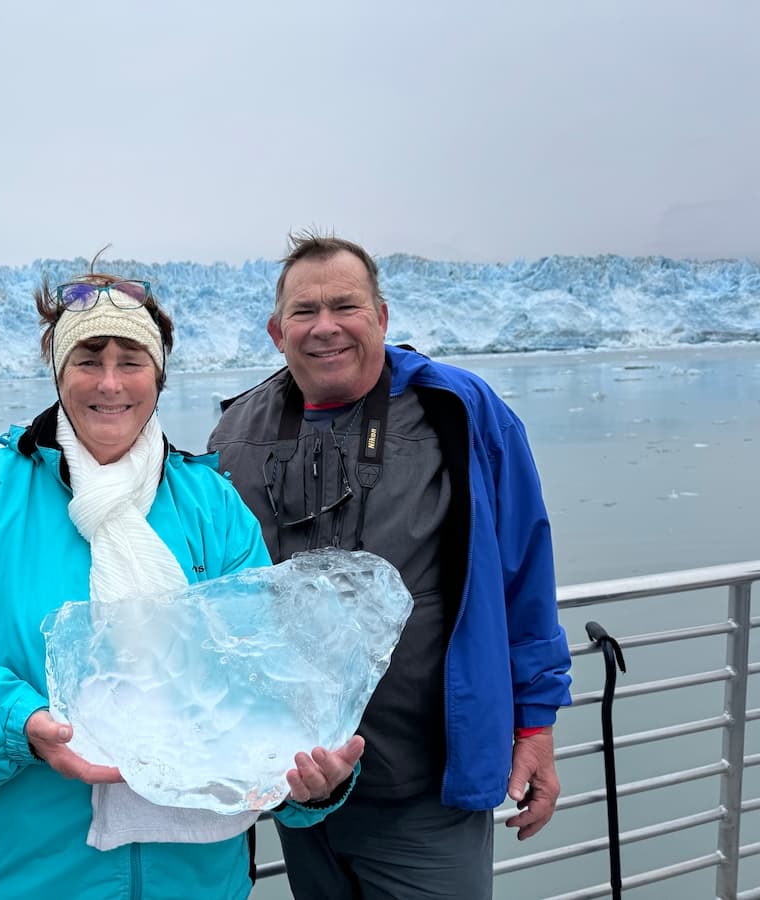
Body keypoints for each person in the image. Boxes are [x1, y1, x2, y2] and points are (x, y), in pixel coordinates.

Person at [0, 268, 365, 900]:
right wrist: (19, 724)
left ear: (159, 376)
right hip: (24, 878)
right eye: (88, 360)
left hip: (198, 882)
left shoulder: (213, 509)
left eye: (132, 361)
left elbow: (269, 687)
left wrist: (312, 782)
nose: (110, 383)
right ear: (58, 373)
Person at [207, 232, 573, 899]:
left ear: (381, 316)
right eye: (304, 312)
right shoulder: (236, 433)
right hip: (298, 787)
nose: (326, 328)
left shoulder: (458, 411)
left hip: (427, 789)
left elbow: (522, 574)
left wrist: (536, 724)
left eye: (345, 306)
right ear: (275, 329)